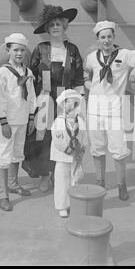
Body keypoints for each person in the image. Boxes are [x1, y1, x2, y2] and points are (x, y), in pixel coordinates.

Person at [84, 21, 135, 201]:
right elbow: (86, 74)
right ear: (98, 39)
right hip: (94, 110)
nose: (106, 40)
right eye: (102, 37)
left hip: (114, 111)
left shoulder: (124, 55)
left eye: (109, 36)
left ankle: (121, 185)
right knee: (97, 149)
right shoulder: (92, 57)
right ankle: (100, 182)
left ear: (113, 37)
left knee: (119, 150)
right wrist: (91, 86)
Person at [27, 5, 85, 193]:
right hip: (44, 98)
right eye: (51, 25)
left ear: (64, 26)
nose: (55, 27)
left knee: (64, 134)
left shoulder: (73, 50)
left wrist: (78, 105)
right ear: (47, 28)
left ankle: (59, 174)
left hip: (66, 99)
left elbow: (77, 78)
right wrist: (33, 101)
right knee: (43, 137)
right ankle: (44, 175)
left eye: (58, 24)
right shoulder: (40, 49)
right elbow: (31, 75)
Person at [0, 33, 36, 212]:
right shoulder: (2, 72)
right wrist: (3, 122)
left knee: (17, 152)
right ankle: (2, 194)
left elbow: (31, 96)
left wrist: (32, 116)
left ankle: (13, 183)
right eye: (15, 50)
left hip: (23, 119)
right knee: (4, 155)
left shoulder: (28, 71)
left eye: (22, 50)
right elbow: (0, 99)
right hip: (8, 121)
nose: (19, 53)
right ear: (7, 50)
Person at [51, 89, 87, 218]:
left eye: (76, 104)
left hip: (76, 157)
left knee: (75, 180)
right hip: (62, 156)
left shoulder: (81, 122)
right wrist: (68, 150)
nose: (73, 107)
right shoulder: (58, 122)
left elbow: (84, 137)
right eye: (70, 104)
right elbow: (58, 139)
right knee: (62, 180)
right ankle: (62, 206)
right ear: (64, 104)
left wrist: (81, 150)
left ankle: (74, 202)